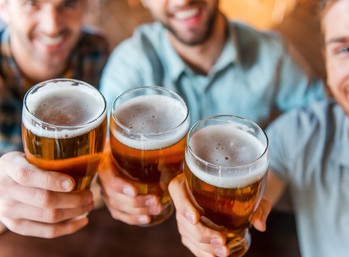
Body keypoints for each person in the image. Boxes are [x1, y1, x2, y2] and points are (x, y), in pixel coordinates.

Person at [169, 0, 349, 257]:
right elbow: (250, 202)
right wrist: (196, 216)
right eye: (345, 48)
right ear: (327, 59)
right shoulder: (303, 133)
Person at [98, 0, 325, 226]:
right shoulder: (131, 62)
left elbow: (324, 115)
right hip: (157, 223)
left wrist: (273, 166)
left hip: (244, 220)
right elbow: (105, 146)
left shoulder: (272, 53)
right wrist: (108, 179)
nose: (182, 1)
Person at [0, 0, 109, 238]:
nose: (52, 26)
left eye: (68, 4)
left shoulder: (97, 53)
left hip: (91, 236)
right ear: (3, 8)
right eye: (31, 4)